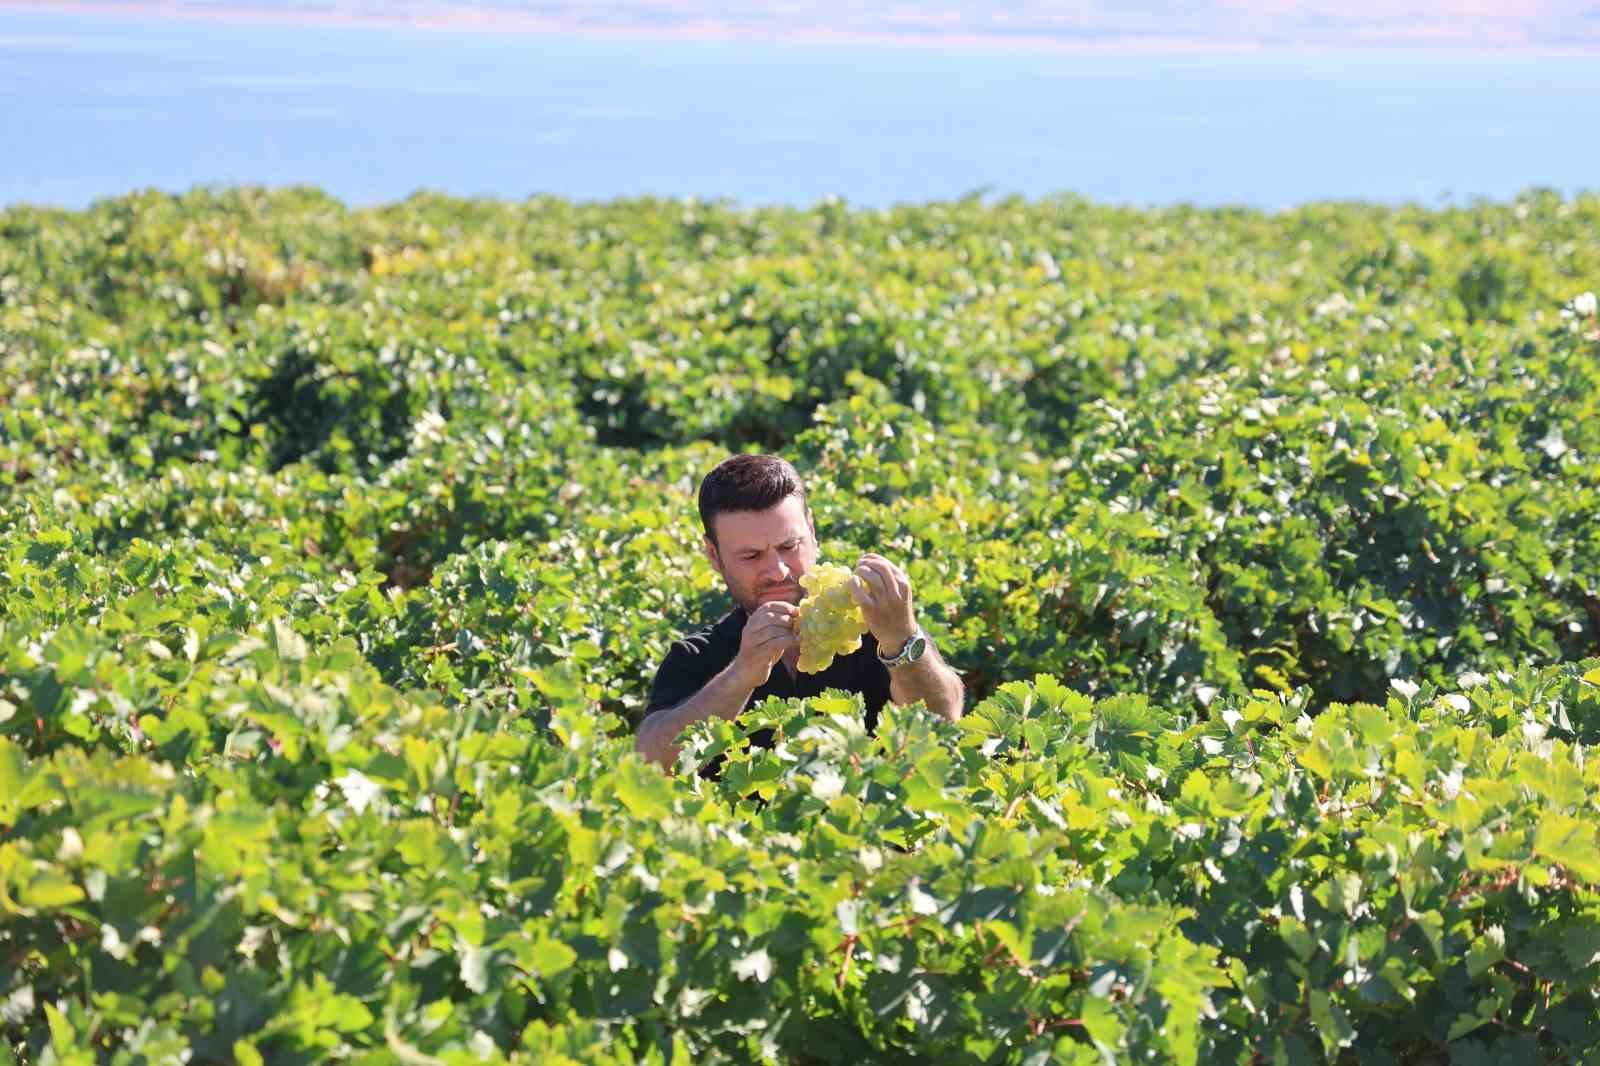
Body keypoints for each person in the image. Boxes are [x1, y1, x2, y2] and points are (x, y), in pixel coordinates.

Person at [636, 453, 965, 770]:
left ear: (812, 531)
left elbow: (944, 723)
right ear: (714, 555)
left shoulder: (873, 628)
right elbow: (648, 765)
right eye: (751, 556)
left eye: (788, 546)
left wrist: (902, 639)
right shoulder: (697, 656)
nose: (777, 570)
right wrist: (741, 675)